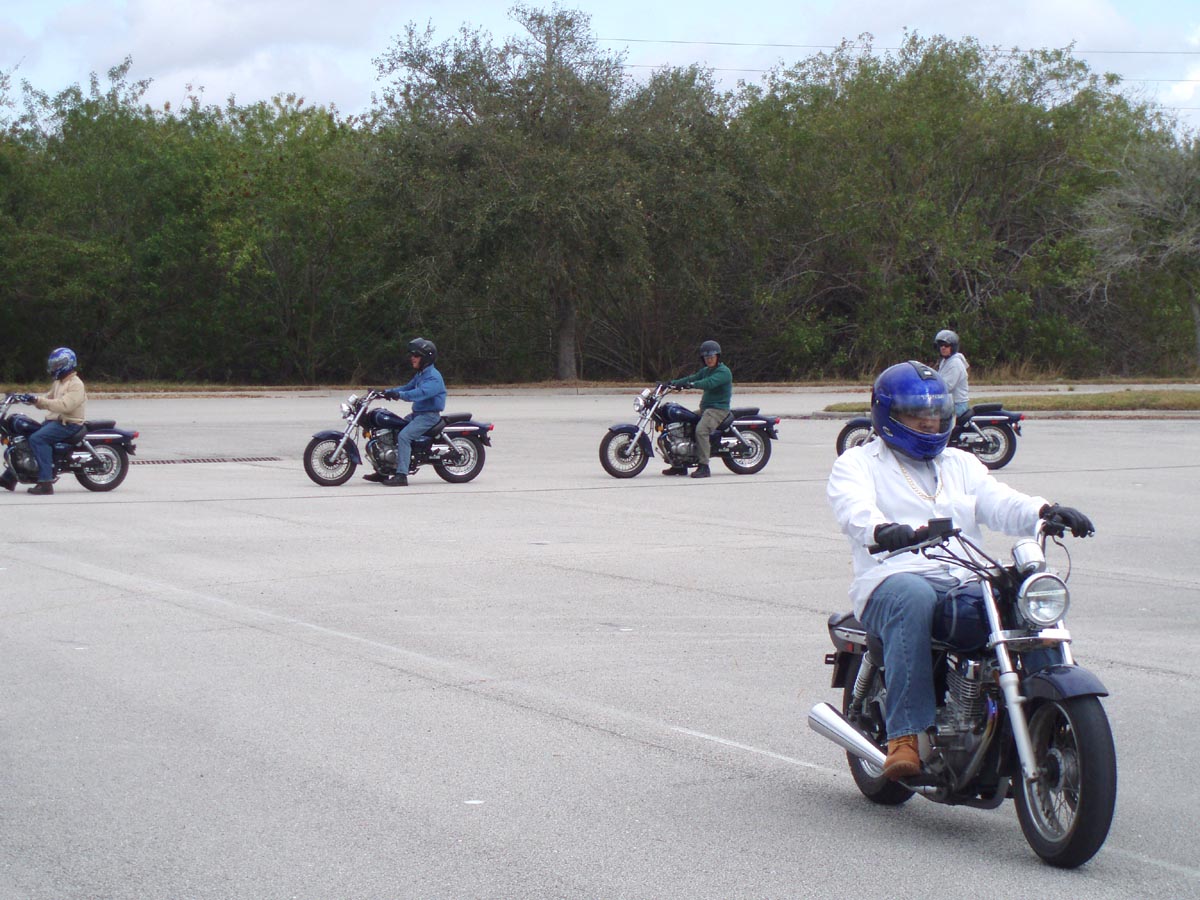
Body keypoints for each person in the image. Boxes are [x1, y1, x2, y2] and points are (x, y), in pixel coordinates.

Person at [826, 361, 1094, 780]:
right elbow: (854, 510)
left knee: (1022, 594)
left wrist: (1045, 511)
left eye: (936, 414)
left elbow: (998, 500)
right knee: (913, 596)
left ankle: (1046, 713)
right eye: (917, 414)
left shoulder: (960, 463)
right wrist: (884, 530)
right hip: (892, 575)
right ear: (888, 414)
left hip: (965, 575)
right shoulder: (858, 463)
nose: (929, 423)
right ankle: (905, 735)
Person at [1, 347, 88, 496]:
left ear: (67, 364)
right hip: (55, 422)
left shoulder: (76, 384)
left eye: (57, 365)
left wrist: (38, 400)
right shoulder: (59, 382)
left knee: (37, 439)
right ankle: (9, 478)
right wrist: (28, 399)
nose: (54, 368)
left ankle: (46, 483)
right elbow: (47, 398)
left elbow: (64, 405)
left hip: (68, 424)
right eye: (53, 365)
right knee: (25, 436)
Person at [368, 337, 446, 487]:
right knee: (393, 430)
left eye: (416, 355)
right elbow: (407, 387)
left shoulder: (433, 377)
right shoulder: (421, 374)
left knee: (404, 436)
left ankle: (401, 476)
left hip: (428, 417)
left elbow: (419, 393)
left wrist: (399, 395)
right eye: (412, 355)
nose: (412, 358)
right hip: (417, 415)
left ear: (426, 358)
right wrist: (384, 392)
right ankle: (384, 470)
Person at [664, 339, 733, 479]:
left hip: (718, 410)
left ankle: (704, 466)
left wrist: (692, 385)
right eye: (706, 357)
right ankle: (680, 465)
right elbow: (692, 377)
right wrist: (672, 383)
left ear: (717, 356)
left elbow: (709, 383)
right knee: (682, 424)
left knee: (701, 430)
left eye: (712, 356)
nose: (709, 360)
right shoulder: (706, 371)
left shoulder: (724, 372)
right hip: (706, 410)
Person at [934, 329, 970, 417]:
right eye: (941, 345)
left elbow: (946, 386)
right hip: (949, 402)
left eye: (946, 345)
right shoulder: (945, 361)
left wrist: (931, 391)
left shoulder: (955, 363)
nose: (943, 347)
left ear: (953, 347)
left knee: (932, 418)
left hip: (957, 405)